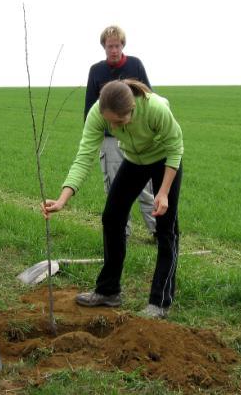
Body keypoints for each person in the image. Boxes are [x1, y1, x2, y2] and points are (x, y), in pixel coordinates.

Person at [43, 79, 183, 318]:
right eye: (109, 121)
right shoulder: (98, 114)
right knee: (112, 217)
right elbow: (84, 156)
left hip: (164, 161)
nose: (112, 126)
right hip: (134, 161)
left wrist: (163, 192)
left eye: (118, 122)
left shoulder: (156, 108)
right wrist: (63, 198)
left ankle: (160, 302)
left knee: (166, 228)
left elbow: (175, 147)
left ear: (133, 110)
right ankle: (109, 291)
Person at [85, 26, 157, 239]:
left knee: (145, 188)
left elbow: (149, 97)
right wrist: (93, 136)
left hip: (137, 138)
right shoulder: (96, 71)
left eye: (117, 45)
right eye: (110, 46)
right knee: (116, 189)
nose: (114, 50)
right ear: (104, 47)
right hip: (110, 139)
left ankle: (157, 231)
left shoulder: (135, 65)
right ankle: (121, 234)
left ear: (123, 45)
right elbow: (90, 107)